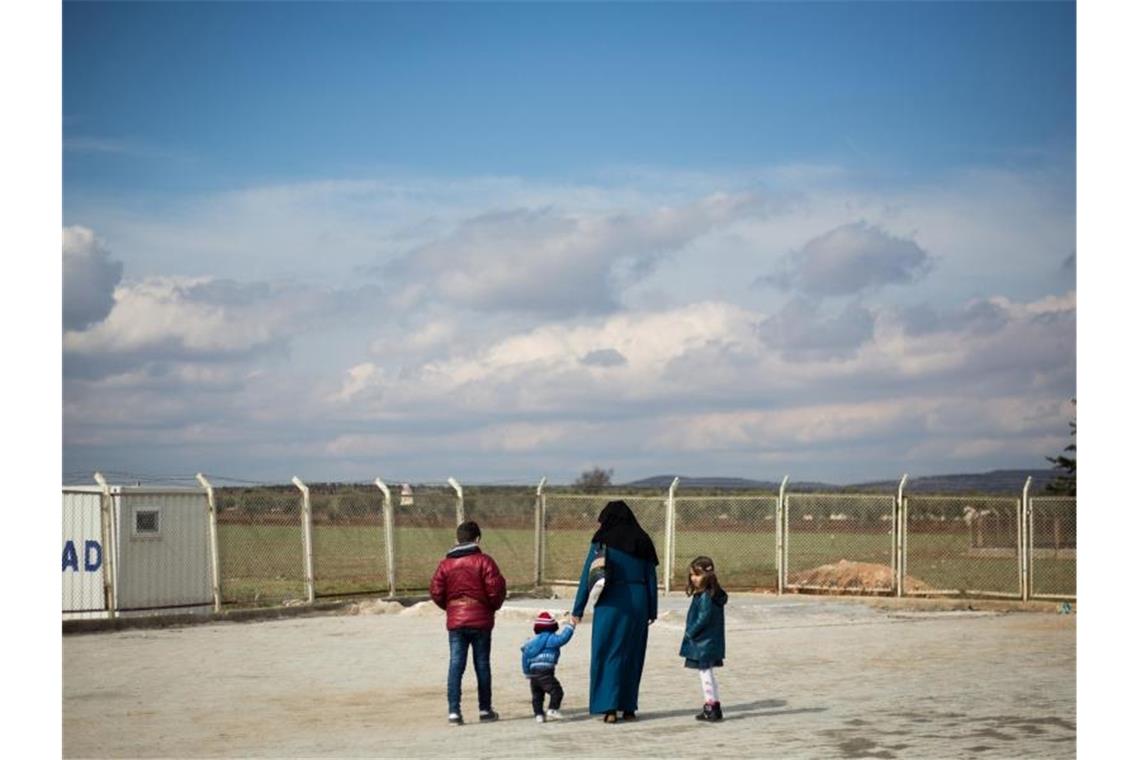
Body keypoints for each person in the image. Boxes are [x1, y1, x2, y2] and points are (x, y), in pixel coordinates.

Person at [570, 500, 659, 723]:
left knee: (607, 652)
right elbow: (651, 577)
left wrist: (578, 608)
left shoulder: (602, 541)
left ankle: (608, 707)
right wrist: (652, 609)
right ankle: (628, 707)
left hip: (610, 600)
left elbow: (587, 576)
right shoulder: (643, 540)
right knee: (633, 653)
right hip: (638, 602)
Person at [429, 520, 507, 726]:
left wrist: (452, 607)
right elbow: (496, 590)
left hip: (456, 622)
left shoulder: (445, 565)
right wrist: (491, 607)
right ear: (478, 539)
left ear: (457, 539)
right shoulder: (485, 561)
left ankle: (454, 712)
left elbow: (436, 591)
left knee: (456, 665)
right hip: (481, 621)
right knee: (482, 665)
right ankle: (484, 709)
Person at [680, 555, 728, 722]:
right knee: (708, 673)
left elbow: (704, 617)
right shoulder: (710, 595)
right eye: (692, 575)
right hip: (708, 641)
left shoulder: (706, 596)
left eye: (697, 575)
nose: (693, 578)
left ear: (708, 576)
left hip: (703, 642)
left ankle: (711, 705)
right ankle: (713, 705)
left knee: (705, 674)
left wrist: (690, 632)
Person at [520, 611, 576, 723]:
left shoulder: (531, 642)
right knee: (557, 691)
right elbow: (563, 638)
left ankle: (539, 715)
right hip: (546, 671)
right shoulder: (551, 638)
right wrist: (570, 626)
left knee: (537, 695)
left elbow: (525, 657)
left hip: (533, 672)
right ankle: (552, 709)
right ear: (552, 627)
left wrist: (527, 672)